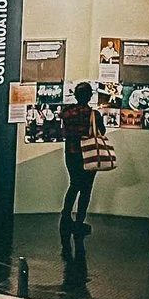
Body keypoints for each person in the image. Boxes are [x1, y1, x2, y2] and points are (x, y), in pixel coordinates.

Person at [57, 80, 102, 233]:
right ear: (90, 96)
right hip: (88, 154)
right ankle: (79, 221)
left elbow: (63, 131)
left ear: (75, 95)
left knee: (74, 185)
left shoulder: (67, 113)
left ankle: (65, 216)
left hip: (71, 154)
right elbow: (101, 132)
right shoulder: (93, 115)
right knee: (86, 189)